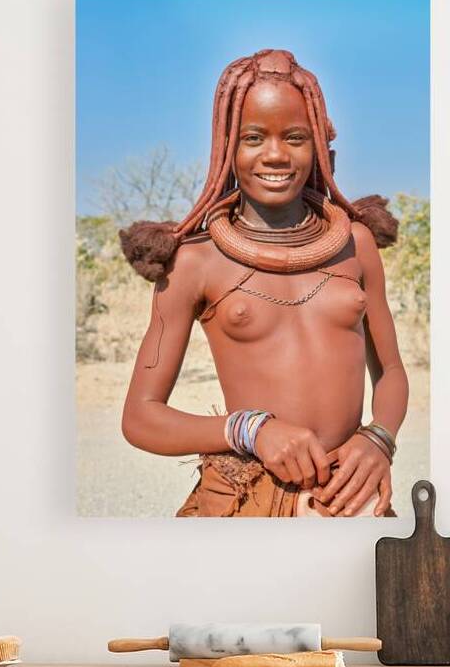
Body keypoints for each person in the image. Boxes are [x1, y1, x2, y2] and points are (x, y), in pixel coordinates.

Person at [119, 49, 408, 518]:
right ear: (226, 148)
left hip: (346, 495)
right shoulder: (194, 261)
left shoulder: (355, 245)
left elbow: (391, 370)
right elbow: (140, 417)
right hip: (246, 496)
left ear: (319, 148)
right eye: (253, 138)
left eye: (295, 137)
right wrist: (250, 430)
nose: (275, 154)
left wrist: (379, 439)